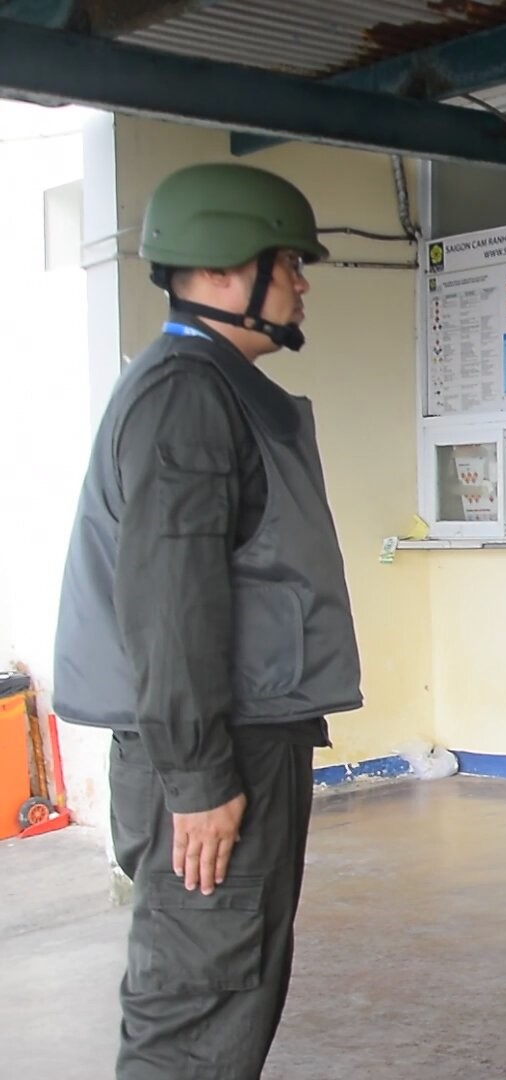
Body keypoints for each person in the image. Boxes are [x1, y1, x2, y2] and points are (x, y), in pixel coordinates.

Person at [52, 162, 363, 1080]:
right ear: (228, 268)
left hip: (238, 738)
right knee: (197, 1009)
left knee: (226, 991)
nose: (302, 283)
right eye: (289, 262)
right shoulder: (186, 396)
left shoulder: (208, 386)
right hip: (213, 751)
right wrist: (196, 779)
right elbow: (170, 599)